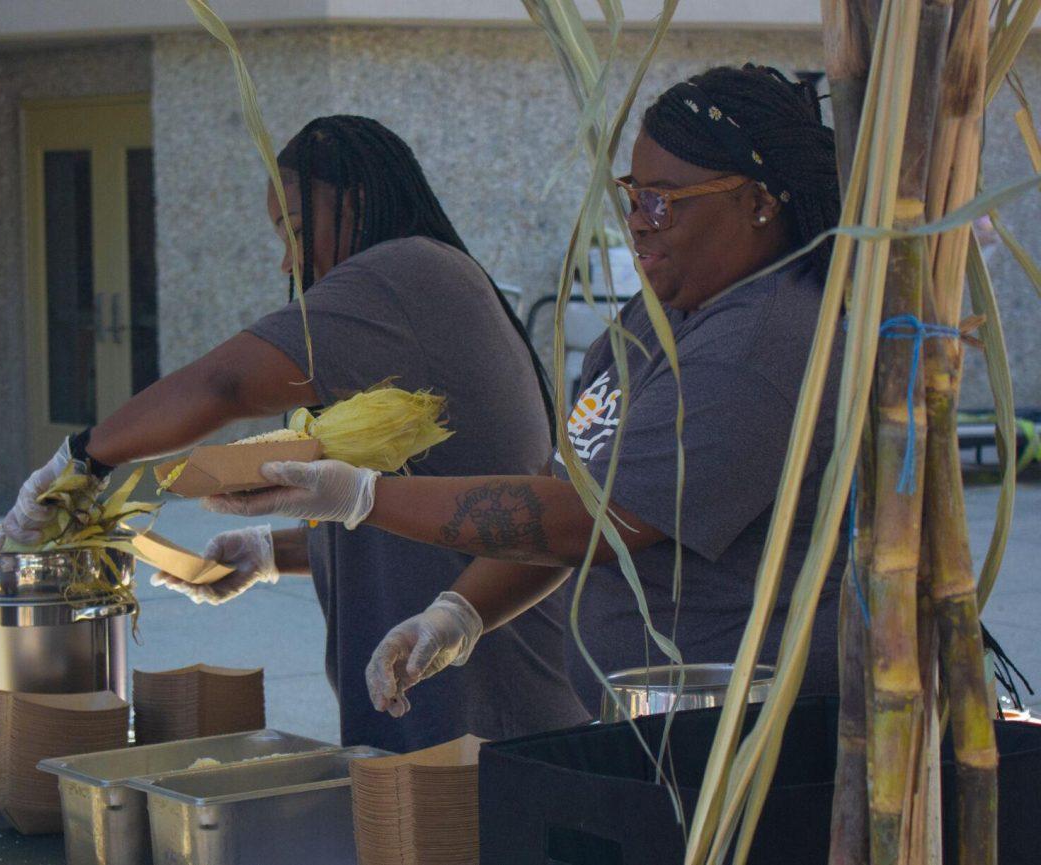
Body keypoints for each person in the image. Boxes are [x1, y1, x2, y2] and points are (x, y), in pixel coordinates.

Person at [210, 66, 846, 718]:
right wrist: (460, 613)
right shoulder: (659, 318)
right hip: (650, 722)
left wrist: (362, 495)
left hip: (741, 735)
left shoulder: (759, 347)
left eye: (663, 199)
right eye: (631, 195)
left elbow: (594, 519)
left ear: (760, 202)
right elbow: (567, 492)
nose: (638, 222)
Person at [0, 115, 589, 751]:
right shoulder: (425, 283)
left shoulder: (404, 271)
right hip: (432, 714)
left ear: (354, 204)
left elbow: (223, 386)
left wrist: (83, 457)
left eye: (295, 232)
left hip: (492, 722)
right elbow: (422, 511)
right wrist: (274, 553)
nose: (287, 260)